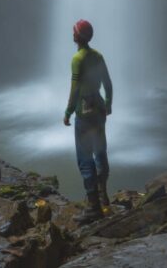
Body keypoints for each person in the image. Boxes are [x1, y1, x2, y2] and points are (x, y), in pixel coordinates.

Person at [63, 18, 113, 223]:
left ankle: (93, 207)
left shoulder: (78, 59)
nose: (72, 33)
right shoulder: (98, 56)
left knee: (85, 158)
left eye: (74, 31)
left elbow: (75, 90)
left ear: (77, 36)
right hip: (99, 109)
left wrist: (67, 112)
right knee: (100, 152)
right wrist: (108, 104)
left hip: (84, 112)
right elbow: (108, 84)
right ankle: (103, 196)